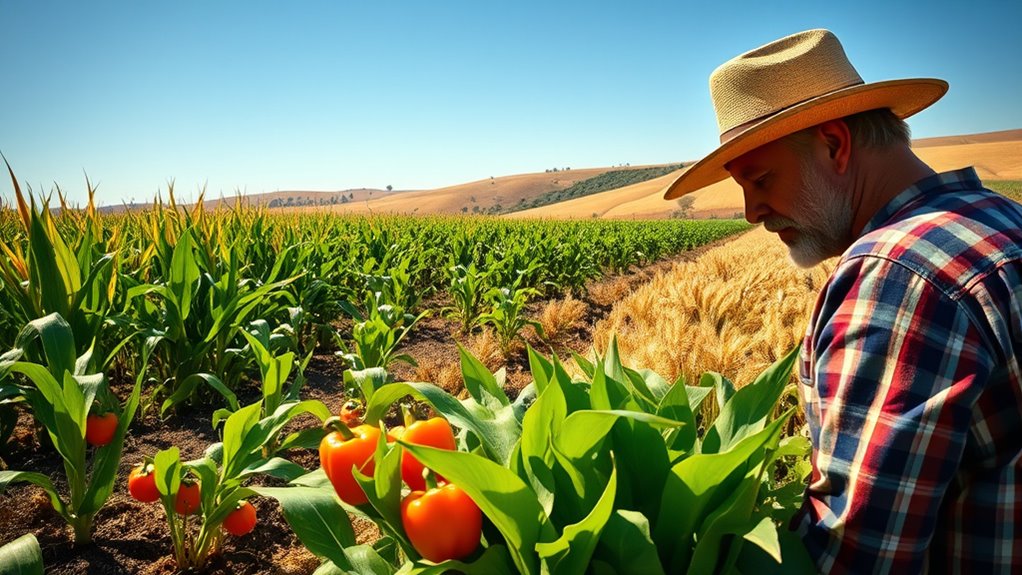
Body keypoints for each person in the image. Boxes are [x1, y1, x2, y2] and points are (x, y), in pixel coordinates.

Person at [662, 29, 1022, 573]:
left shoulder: (897, 279)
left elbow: (857, 554)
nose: (751, 211)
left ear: (835, 144)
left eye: (760, 178)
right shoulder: (1001, 218)